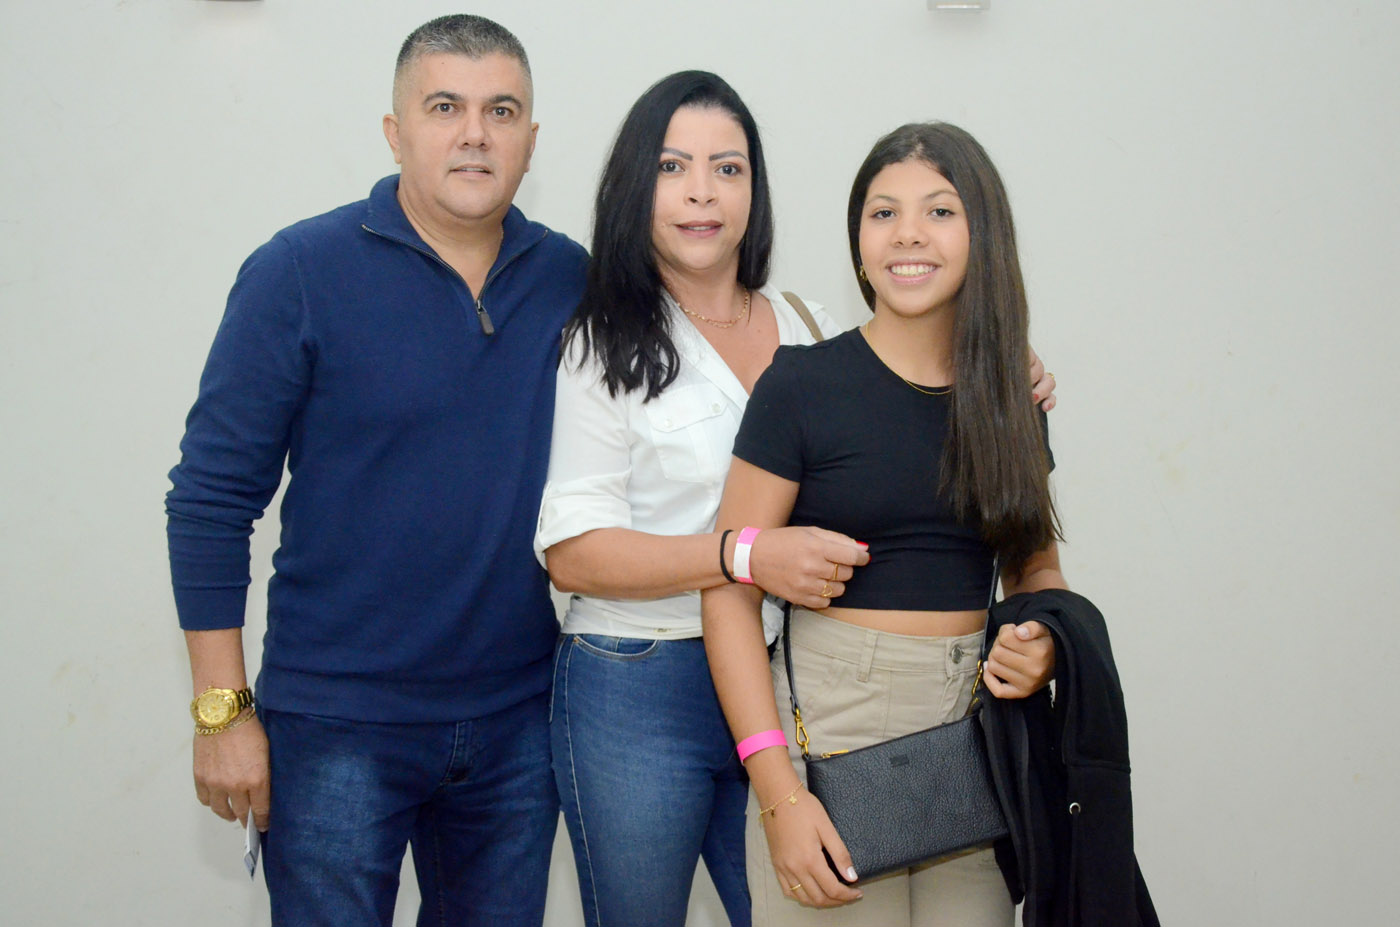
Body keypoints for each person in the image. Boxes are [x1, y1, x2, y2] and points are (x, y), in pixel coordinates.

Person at [536, 74, 1058, 927]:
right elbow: (572, 551)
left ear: (756, 190)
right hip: (641, 681)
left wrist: (1005, 367)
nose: (703, 191)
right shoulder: (603, 343)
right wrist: (743, 554)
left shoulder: (807, 325)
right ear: (636, 186)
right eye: (672, 166)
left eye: (728, 168)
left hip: (788, 668)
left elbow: (900, 389)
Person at [165, 15, 586, 926]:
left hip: (518, 721)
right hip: (336, 723)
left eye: (500, 111)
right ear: (395, 132)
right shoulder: (298, 272)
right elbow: (209, 501)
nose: (474, 133)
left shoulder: (571, 279)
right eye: (444, 107)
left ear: (530, 139)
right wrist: (221, 712)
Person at [701, 122, 1067, 927]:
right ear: (859, 244)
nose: (907, 233)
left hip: (972, 739)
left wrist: (1042, 636)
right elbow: (728, 595)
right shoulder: (802, 386)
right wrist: (778, 795)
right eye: (882, 212)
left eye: (939, 210)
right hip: (831, 731)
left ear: (983, 235)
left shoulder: (1012, 398)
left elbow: (1034, 568)